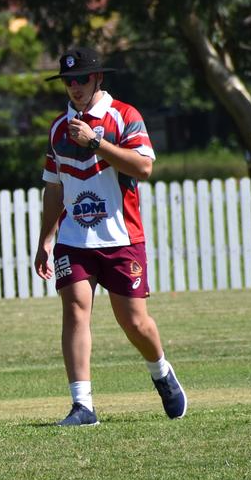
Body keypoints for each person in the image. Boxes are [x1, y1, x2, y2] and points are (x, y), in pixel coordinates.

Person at [33, 47, 187, 426]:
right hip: (75, 238)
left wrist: (95, 142)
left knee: (134, 321)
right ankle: (82, 406)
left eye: (81, 79)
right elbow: (54, 188)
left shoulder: (125, 116)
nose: (74, 87)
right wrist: (45, 239)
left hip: (121, 237)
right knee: (75, 311)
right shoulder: (57, 128)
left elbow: (144, 167)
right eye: (68, 81)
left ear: (98, 78)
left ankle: (161, 372)